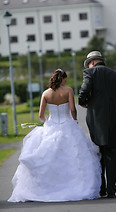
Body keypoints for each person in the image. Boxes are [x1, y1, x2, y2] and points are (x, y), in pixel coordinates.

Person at [8, 69, 101, 202]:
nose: (66, 81)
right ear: (62, 78)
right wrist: (74, 120)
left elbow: (41, 115)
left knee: (48, 155)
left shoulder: (46, 93)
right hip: (68, 124)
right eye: (65, 79)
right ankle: (76, 185)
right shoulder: (68, 90)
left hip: (51, 125)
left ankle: (46, 187)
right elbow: (73, 109)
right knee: (74, 156)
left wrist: (48, 123)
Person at [78, 51, 116, 198]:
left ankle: (101, 188)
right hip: (114, 121)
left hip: (96, 121)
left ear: (92, 62)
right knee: (112, 155)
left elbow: (83, 91)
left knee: (98, 154)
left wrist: (84, 102)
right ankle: (111, 190)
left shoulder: (89, 73)